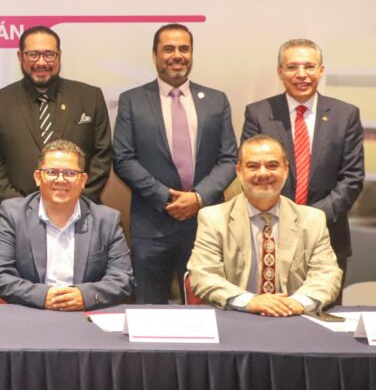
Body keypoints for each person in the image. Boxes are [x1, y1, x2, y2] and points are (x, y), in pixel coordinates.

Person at [113, 24, 237, 304]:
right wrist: (166, 198)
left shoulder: (216, 100)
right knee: (149, 311)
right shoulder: (132, 100)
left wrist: (198, 198)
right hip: (152, 225)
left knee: (207, 309)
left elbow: (229, 158)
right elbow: (123, 158)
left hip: (205, 224)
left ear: (192, 53)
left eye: (184, 49)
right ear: (154, 54)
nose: (177, 55)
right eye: (168, 49)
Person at [241, 39, 363, 278]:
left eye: (309, 66)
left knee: (324, 302)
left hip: (327, 235)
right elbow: (252, 173)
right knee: (272, 302)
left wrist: (312, 219)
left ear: (321, 70)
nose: (301, 74)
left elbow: (352, 178)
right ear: (280, 72)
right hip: (270, 234)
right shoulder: (258, 114)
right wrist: (284, 218)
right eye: (292, 67)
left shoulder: (345, 115)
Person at [187, 134, 342, 314]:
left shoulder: (313, 220)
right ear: (239, 172)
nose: (263, 173)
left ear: (286, 170)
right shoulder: (213, 219)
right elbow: (203, 275)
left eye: (272, 165)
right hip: (236, 317)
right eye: (253, 166)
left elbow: (327, 274)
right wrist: (250, 301)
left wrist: (299, 303)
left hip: (293, 318)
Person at [0, 140, 133, 310]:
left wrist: (85, 296)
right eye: (51, 172)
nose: (61, 180)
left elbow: (123, 278)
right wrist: (43, 296)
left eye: (70, 173)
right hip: (31, 312)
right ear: (38, 177)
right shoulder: (14, 215)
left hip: (85, 315)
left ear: (83, 180)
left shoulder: (106, 220)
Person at [0, 26, 111, 209]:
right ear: (20, 57)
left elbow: (102, 156)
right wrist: (21, 209)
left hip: (79, 212)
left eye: (49, 54)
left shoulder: (90, 97)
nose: (41, 62)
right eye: (33, 54)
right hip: (14, 214)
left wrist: (73, 204)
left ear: (59, 56)